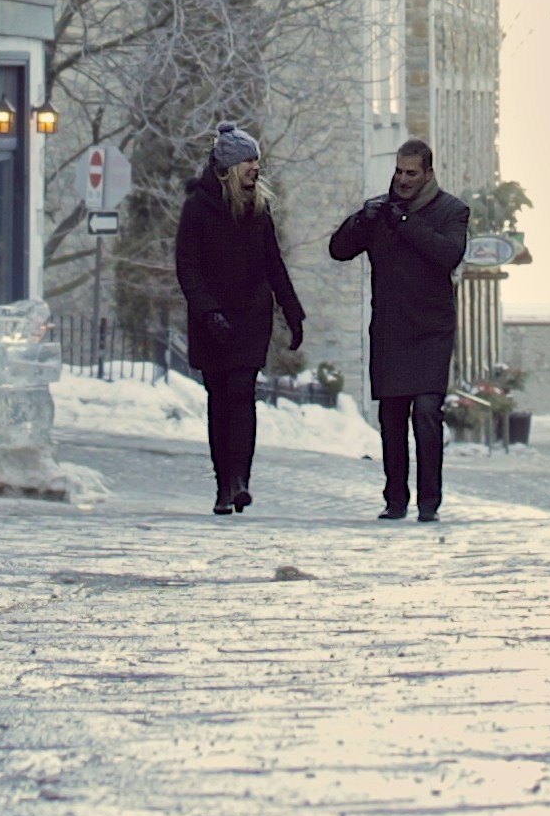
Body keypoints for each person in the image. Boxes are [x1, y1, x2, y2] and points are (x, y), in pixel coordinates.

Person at [328, 139, 476, 522]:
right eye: (399, 171)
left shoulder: (452, 211)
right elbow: (339, 249)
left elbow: (448, 254)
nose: (403, 179)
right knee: (392, 417)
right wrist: (362, 219)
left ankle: (430, 503)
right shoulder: (381, 212)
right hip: (391, 330)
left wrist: (406, 223)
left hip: (431, 330)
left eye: (412, 173)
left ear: (428, 173)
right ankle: (395, 500)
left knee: (427, 413)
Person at [171, 125, 307, 514]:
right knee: (220, 400)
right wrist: (207, 311)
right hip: (211, 318)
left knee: (242, 393)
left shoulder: (258, 210)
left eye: (256, 161)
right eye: (248, 161)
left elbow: (273, 265)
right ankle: (223, 484)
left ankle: (240, 480)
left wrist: (292, 313)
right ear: (228, 166)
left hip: (251, 315)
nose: (255, 168)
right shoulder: (197, 208)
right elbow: (188, 266)